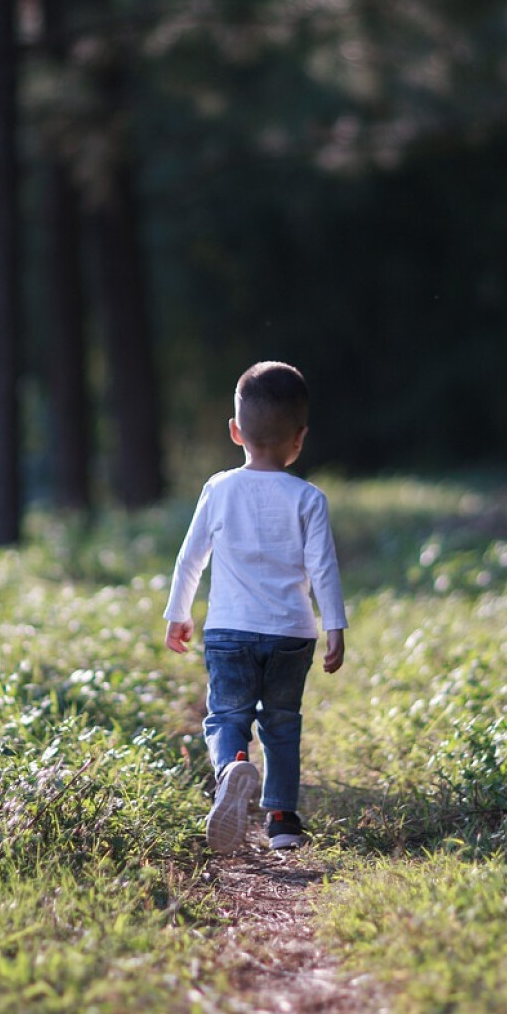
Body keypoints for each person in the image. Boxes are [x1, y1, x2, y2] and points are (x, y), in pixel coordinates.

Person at [164, 361, 347, 853]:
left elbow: (191, 557)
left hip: (230, 630)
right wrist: (335, 625)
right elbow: (324, 567)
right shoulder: (308, 498)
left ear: (235, 431)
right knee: (282, 722)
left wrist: (178, 613)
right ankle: (283, 821)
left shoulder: (219, 488)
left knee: (227, 716)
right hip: (292, 633)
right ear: (300, 438)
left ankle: (231, 768)